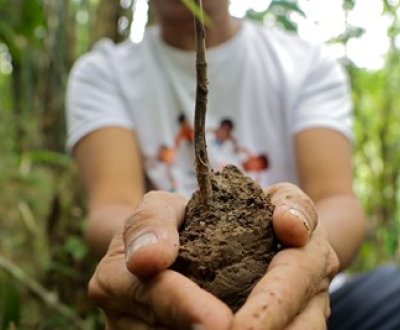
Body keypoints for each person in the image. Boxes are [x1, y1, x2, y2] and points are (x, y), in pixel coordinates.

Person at [65, 0, 366, 328]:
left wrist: (305, 253)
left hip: (318, 298)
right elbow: (111, 207)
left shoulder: (304, 63)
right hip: (167, 303)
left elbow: (337, 200)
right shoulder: (103, 73)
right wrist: (147, 239)